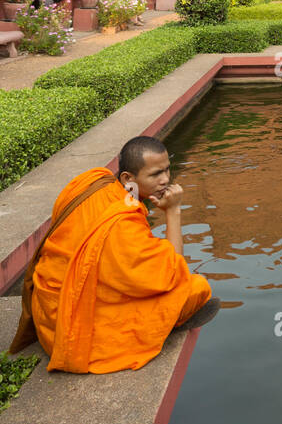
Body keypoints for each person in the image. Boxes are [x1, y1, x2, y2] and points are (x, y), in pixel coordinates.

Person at [8, 137, 217, 373]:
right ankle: (165, 324)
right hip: (68, 328)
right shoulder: (123, 224)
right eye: (156, 174)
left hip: (46, 307)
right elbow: (173, 273)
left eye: (167, 169)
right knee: (194, 289)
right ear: (128, 178)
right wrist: (173, 211)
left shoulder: (95, 181)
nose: (165, 180)